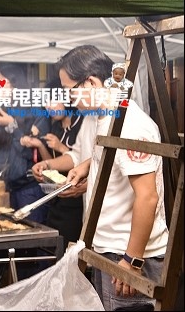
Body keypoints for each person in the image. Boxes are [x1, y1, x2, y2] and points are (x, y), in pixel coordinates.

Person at [57, 45, 168, 311]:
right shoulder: (108, 116)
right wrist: (87, 165)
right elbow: (117, 158)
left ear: (91, 82)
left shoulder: (130, 124)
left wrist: (132, 261)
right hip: (110, 250)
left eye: (70, 90)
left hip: (128, 255)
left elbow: (147, 197)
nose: (69, 98)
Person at [0, 64, 51, 223]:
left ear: (15, 84)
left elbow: (30, 151)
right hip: (7, 186)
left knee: (32, 232)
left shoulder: (35, 110)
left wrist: (11, 125)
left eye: (0, 83)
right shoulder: (4, 109)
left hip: (29, 187)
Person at [28, 78, 85, 247]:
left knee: (70, 249)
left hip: (77, 200)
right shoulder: (56, 127)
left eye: (52, 101)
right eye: (46, 103)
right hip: (57, 198)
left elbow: (82, 160)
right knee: (55, 248)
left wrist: (60, 147)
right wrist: (41, 149)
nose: (49, 107)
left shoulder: (81, 123)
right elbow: (53, 163)